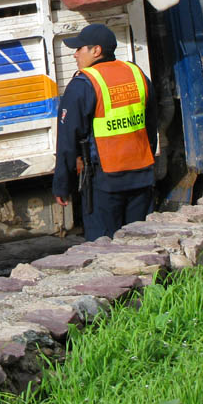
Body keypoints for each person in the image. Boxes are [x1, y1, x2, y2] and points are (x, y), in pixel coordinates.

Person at [52, 23, 157, 241]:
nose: (75, 54)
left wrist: (63, 185)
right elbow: (152, 125)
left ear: (96, 50)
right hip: (142, 178)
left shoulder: (84, 83)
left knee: (105, 248)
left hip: (105, 183)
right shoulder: (136, 74)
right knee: (142, 243)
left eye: (80, 48)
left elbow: (67, 142)